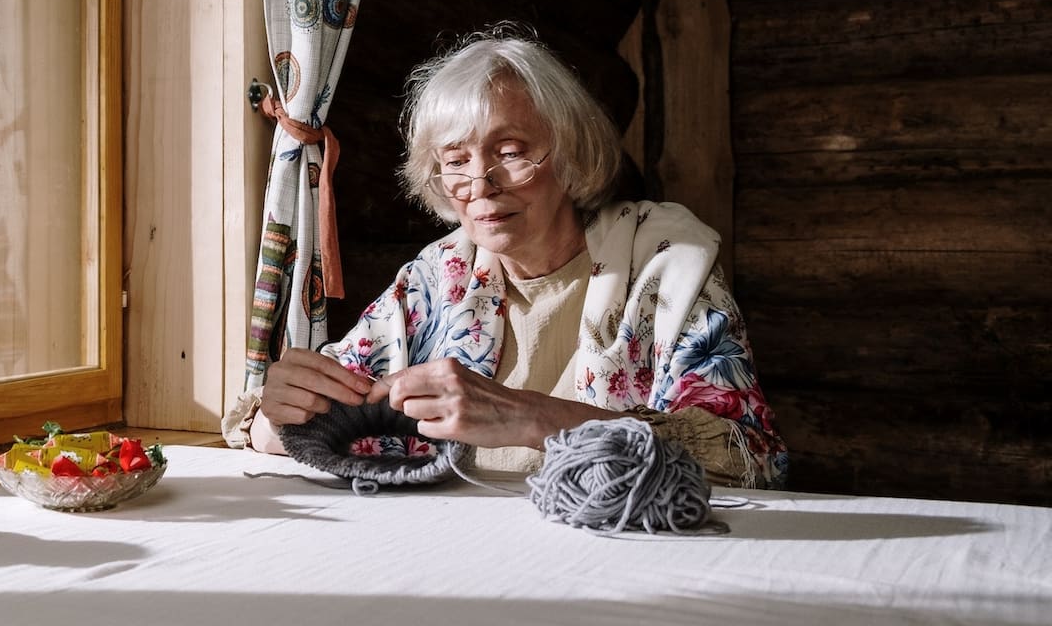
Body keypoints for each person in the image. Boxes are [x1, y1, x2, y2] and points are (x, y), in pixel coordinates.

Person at [226, 25, 788, 488]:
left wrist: (532, 417)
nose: (480, 183)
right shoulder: (439, 275)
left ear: (568, 155)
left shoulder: (664, 264)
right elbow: (326, 417)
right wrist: (277, 414)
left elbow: (748, 455)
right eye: (456, 160)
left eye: (511, 152)